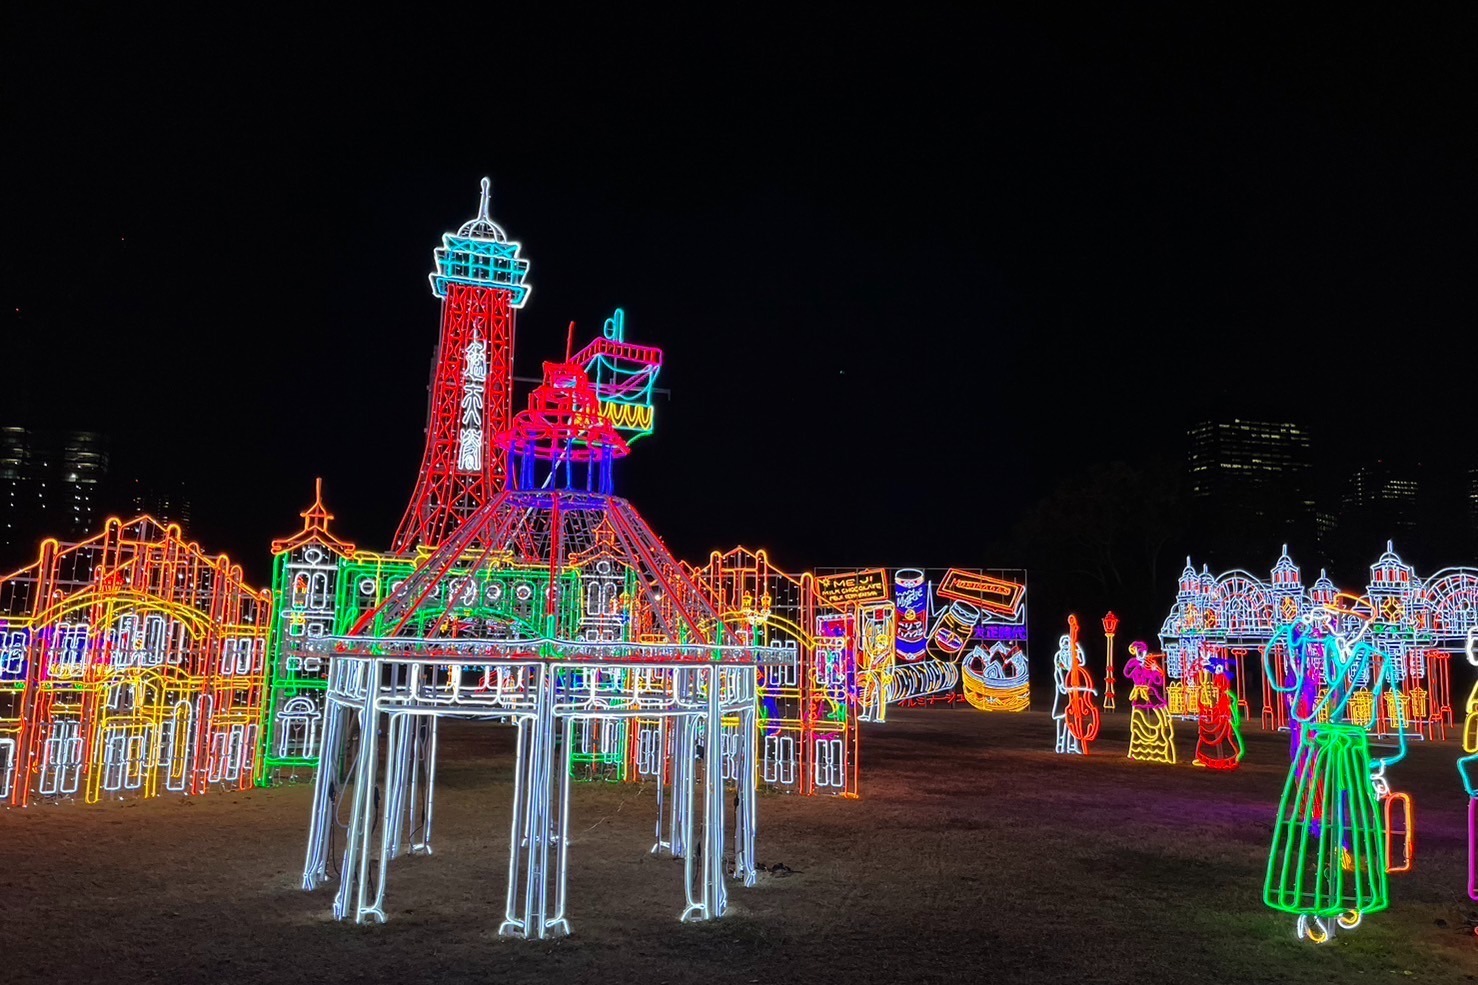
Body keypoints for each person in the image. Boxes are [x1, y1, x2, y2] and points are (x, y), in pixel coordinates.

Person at [1262, 607, 1406, 944]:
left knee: (1340, 812)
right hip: (1318, 751)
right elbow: (1292, 696)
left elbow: (1387, 726)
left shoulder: (1373, 659)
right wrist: (1293, 643)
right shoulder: (1307, 672)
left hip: (1345, 755)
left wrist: (1376, 764)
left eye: (1331, 623)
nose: (1326, 628)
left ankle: (1335, 884)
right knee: (1321, 809)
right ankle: (1321, 889)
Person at [1124, 642, 1175, 764]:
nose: (1141, 654)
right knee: (1138, 722)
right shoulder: (1133, 663)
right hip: (1138, 695)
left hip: (1149, 693)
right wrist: (1139, 664)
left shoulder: (1150, 664)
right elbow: (1127, 673)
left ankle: (1160, 749)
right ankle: (1138, 750)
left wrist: (1155, 669)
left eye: (1142, 651)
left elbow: (1158, 680)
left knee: (1161, 718)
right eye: (1138, 651)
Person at [1193, 653, 1244, 770]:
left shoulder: (1224, 679)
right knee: (1207, 734)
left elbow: (1225, 689)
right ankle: (1201, 756)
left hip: (1222, 710)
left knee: (1225, 734)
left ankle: (1227, 756)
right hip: (1216, 709)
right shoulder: (1213, 680)